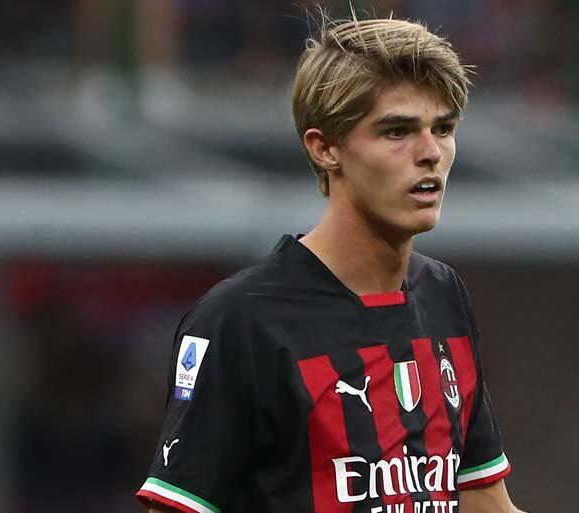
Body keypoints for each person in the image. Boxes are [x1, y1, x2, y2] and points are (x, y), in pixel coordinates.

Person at [136, 14, 528, 513]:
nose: (431, 152)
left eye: (443, 128)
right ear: (325, 149)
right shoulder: (240, 321)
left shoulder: (443, 293)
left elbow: (483, 500)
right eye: (397, 131)